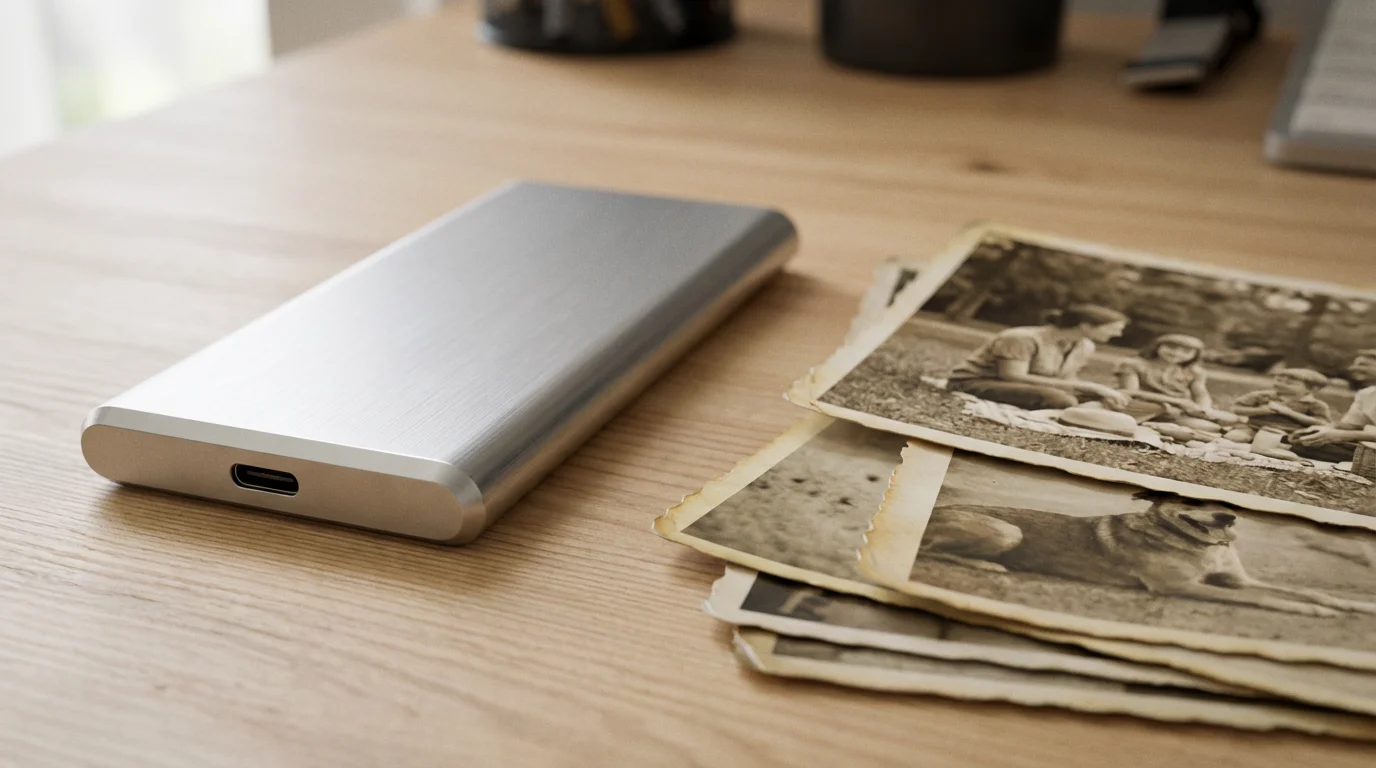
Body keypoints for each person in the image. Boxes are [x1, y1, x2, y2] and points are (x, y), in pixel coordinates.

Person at [947, 304, 1131, 411]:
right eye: (1114, 328)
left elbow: (1066, 379)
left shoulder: (1085, 345)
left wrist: (1094, 391)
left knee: (1120, 400)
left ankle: (1086, 409)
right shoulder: (1023, 338)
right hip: (978, 382)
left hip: (1033, 386)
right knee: (1061, 400)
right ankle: (1079, 409)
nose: (1119, 334)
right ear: (1086, 325)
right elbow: (1012, 376)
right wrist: (1089, 386)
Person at [1114, 333, 1235, 430]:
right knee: (1156, 409)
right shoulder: (1134, 364)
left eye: (1186, 351)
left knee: (1213, 426)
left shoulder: (1195, 372)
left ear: (1195, 355)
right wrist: (1178, 401)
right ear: (1157, 347)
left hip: (1176, 410)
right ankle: (1151, 424)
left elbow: (1200, 393)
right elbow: (1130, 392)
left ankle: (1157, 426)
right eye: (1171, 348)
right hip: (1143, 405)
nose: (1176, 353)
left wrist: (1204, 408)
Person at [1291, 350, 1376, 463]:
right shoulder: (1365, 394)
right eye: (1354, 364)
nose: (1353, 368)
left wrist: (1341, 435)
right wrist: (1324, 429)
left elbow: (1345, 433)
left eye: (1363, 364)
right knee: (1304, 444)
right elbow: (1350, 426)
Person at [1227, 368, 1333, 441]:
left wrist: (1288, 412)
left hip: (1288, 435)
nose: (1280, 384)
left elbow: (1323, 423)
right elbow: (1236, 408)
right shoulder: (1262, 395)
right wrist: (1260, 411)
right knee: (1235, 437)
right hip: (1254, 428)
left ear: (1312, 389)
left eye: (1289, 383)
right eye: (1278, 380)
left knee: (1304, 444)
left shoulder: (1315, 404)